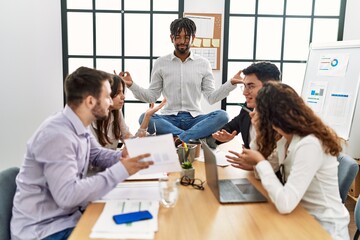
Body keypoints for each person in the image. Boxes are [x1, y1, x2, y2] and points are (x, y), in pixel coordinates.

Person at [10, 67, 153, 240]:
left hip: (68, 218)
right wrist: (121, 169)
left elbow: (97, 155)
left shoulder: (77, 126)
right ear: (91, 101)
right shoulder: (57, 135)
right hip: (45, 230)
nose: (110, 102)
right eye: (107, 96)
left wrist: (121, 156)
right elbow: (67, 196)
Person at [226, 81, 350, 239]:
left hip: (324, 229)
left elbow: (285, 203)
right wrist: (258, 133)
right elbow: (259, 175)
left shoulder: (309, 144)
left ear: (274, 116)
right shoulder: (285, 139)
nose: (253, 114)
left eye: (260, 111)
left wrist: (260, 161)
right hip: (300, 216)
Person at [119, 17, 242, 143]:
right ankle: (190, 138)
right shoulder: (160, 63)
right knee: (144, 118)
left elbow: (211, 97)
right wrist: (131, 85)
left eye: (186, 37)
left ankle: (179, 139)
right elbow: (151, 97)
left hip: (195, 119)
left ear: (193, 38)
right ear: (171, 38)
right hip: (168, 119)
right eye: (178, 37)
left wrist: (230, 83)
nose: (182, 41)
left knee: (222, 116)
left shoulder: (203, 63)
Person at [208, 61, 281, 149]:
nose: (244, 93)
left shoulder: (283, 118)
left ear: (270, 87)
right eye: (245, 86)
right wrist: (223, 136)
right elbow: (230, 127)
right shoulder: (248, 109)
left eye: (251, 86)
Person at [90, 74, 166, 150]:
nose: (123, 97)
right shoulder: (89, 119)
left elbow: (132, 143)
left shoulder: (116, 112)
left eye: (123, 92)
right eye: (118, 92)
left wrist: (147, 116)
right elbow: (93, 155)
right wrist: (121, 154)